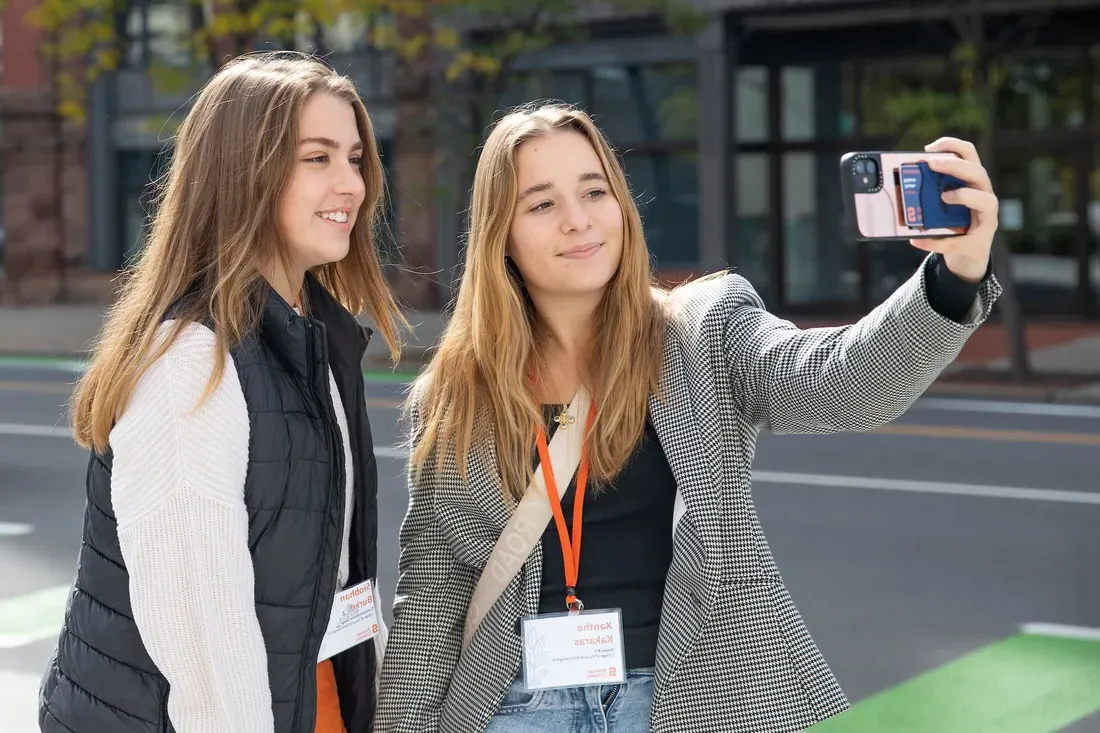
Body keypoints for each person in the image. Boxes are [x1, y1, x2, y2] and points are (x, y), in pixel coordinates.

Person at [375, 101, 1001, 733]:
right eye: (541, 204)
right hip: (517, 707)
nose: (578, 220)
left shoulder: (704, 333)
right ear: (499, 233)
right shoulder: (457, 394)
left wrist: (954, 275)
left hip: (704, 701)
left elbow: (843, 381)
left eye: (595, 191)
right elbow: (433, 590)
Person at [38, 51, 405, 733]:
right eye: (317, 158)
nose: (351, 184)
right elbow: (204, 638)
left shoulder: (317, 339)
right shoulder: (191, 359)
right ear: (245, 172)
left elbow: (337, 582)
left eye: (356, 158)